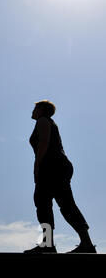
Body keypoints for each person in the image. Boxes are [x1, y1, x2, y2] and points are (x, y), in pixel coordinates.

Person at [24, 100, 96, 254]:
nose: (32, 111)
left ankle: (50, 245)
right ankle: (82, 243)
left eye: (35, 108)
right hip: (57, 166)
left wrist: (37, 166)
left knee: (47, 204)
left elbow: (44, 143)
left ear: (41, 109)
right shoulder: (48, 122)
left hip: (52, 167)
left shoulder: (43, 121)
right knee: (57, 204)